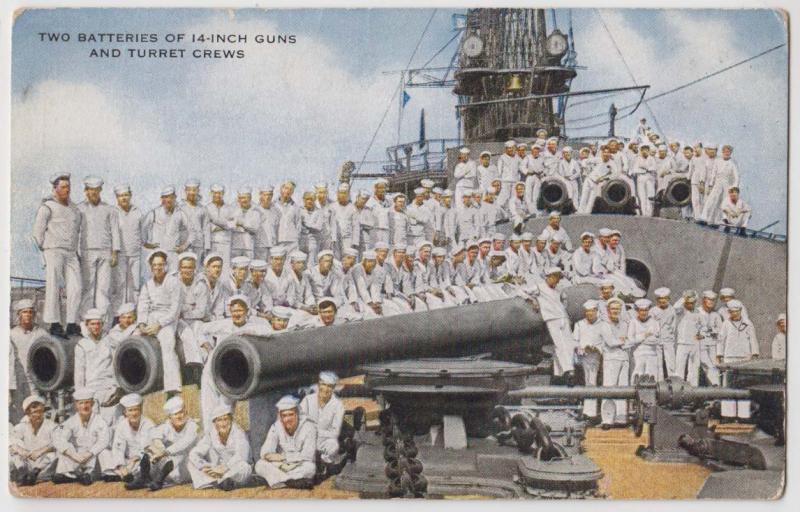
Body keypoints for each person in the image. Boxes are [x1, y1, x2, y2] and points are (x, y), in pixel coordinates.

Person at [195, 295, 273, 429]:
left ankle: (226, 435)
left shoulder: (255, 325)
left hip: (233, 372)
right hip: (213, 367)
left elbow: (269, 332)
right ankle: (210, 435)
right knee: (209, 406)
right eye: (234, 310)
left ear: (247, 311)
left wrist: (248, 332)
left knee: (225, 407)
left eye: (240, 310)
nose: (237, 314)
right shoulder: (223, 324)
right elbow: (199, 329)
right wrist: (208, 347)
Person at [32, 173, 84, 338]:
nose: (67, 190)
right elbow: (37, 233)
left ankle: (71, 323)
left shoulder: (74, 209)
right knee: (53, 286)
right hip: (53, 250)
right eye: (63, 187)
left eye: (68, 187)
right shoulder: (47, 207)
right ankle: (54, 323)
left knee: (76, 287)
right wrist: (45, 251)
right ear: (55, 188)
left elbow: (77, 232)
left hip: (71, 252)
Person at [137, 251, 185, 399]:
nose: (157, 268)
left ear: (165, 265)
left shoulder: (174, 282)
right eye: (155, 265)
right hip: (150, 318)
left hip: (167, 321)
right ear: (151, 267)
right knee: (132, 340)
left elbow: (174, 310)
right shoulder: (147, 284)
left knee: (167, 345)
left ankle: (173, 388)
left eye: (160, 265)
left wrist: (159, 325)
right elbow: (143, 305)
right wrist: (142, 324)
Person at [75, 176, 121, 321]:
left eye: (96, 189)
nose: (93, 192)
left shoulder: (109, 209)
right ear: (86, 191)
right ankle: (86, 321)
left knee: (104, 288)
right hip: (86, 252)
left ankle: (104, 322)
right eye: (90, 189)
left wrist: (115, 252)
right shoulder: (79, 209)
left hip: (105, 252)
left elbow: (115, 231)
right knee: (88, 288)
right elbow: (76, 232)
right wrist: (76, 253)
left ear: (100, 190)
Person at [134, 396, 200, 491]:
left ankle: (158, 480)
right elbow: (153, 435)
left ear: (185, 412)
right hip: (169, 467)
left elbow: (184, 443)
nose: (180, 416)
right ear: (170, 417)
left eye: (181, 412)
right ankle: (144, 478)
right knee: (151, 447)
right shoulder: (167, 426)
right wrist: (157, 447)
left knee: (179, 454)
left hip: (186, 468)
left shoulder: (192, 426)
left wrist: (163, 453)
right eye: (176, 414)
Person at [52, 387, 114, 485]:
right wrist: (73, 455)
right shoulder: (71, 422)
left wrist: (90, 453)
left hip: (92, 456)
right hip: (77, 457)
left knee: (104, 452)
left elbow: (104, 441)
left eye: (87, 403)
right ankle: (70, 476)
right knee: (65, 449)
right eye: (81, 403)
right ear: (76, 405)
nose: (84, 406)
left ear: (92, 403)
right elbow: (59, 438)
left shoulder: (100, 421)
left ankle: (89, 475)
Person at [255, 395, 318, 489]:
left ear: (297, 414)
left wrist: (284, 457)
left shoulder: (309, 427)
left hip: (299, 465)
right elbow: (264, 452)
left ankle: (279, 481)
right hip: (281, 465)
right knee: (260, 465)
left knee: (310, 468)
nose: (287, 419)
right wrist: (269, 456)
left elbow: (307, 456)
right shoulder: (276, 427)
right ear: (280, 416)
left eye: (290, 414)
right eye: (284, 415)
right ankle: (291, 482)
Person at [74, 308, 123, 424]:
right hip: (91, 391)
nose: (95, 327)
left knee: (112, 422)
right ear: (87, 325)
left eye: (98, 324)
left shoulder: (110, 341)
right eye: (92, 324)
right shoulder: (81, 345)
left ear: (102, 325)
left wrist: (118, 388)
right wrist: (81, 396)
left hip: (109, 389)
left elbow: (116, 366)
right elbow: (79, 373)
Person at [188, 405, 252, 491]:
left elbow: (242, 456)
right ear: (215, 423)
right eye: (219, 420)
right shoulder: (210, 434)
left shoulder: (239, 433)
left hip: (232, 468)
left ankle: (225, 480)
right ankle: (212, 482)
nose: (223, 423)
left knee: (244, 466)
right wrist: (204, 466)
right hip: (216, 469)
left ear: (231, 420)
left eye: (226, 419)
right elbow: (194, 453)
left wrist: (225, 467)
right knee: (191, 463)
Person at [717, 300, 759, 420]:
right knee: (728, 387)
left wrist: (755, 353)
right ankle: (728, 415)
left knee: (743, 386)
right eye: (731, 312)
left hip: (745, 358)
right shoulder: (726, 324)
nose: (734, 314)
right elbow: (721, 340)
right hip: (729, 358)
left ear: (740, 311)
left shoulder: (748, 324)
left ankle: (743, 415)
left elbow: (753, 339)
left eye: (736, 311)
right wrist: (719, 355)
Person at [534, 268, 576, 380]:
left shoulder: (559, 288)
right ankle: (568, 369)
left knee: (569, 343)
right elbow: (522, 292)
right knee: (559, 343)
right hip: (551, 318)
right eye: (555, 277)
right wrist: (533, 301)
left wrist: (564, 308)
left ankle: (559, 373)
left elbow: (564, 298)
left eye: (558, 278)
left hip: (563, 316)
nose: (557, 281)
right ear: (549, 277)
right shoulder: (539, 287)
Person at [573, 300, 613, 421]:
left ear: (596, 311)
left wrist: (597, 348)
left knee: (597, 381)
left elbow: (608, 342)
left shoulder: (603, 325)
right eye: (587, 312)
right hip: (584, 357)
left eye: (592, 311)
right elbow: (575, 341)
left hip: (599, 356)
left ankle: (598, 412)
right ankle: (588, 412)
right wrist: (581, 348)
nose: (589, 314)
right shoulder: (579, 324)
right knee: (588, 382)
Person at [299, 371, 346, 471]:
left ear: (334, 388)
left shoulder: (338, 405)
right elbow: (300, 421)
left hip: (323, 441)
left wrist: (316, 432)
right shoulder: (307, 400)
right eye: (323, 384)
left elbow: (335, 432)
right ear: (319, 385)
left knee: (333, 445)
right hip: (306, 439)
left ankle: (324, 464)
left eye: (329, 386)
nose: (325, 389)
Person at [142, 186, 191, 275]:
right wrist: (146, 243)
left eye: (171, 197)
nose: (169, 200)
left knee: (173, 278)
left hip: (174, 254)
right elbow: (143, 227)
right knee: (158, 277)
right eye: (166, 197)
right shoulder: (154, 213)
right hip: (158, 254)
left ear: (175, 198)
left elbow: (192, 231)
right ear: (162, 199)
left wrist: (184, 246)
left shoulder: (180, 213)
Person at [10, 395, 58, 486]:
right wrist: (24, 452)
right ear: (28, 413)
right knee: (12, 453)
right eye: (35, 412)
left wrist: (40, 451)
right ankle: (23, 474)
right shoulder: (21, 426)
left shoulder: (52, 426)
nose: (38, 415)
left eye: (40, 412)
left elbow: (58, 442)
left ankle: (36, 473)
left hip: (44, 463)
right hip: (27, 461)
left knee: (57, 454)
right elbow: (13, 443)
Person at [112, 184, 144, 316]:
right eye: (120, 196)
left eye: (126, 195)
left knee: (135, 285)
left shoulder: (138, 212)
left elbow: (142, 233)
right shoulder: (113, 212)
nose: (124, 198)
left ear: (130, 195)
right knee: (120, 286)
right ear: (117, 198)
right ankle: (117, 315)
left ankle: (134, 314)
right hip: (120, 255)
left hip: (135, 254)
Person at [110, 393, 155, 483]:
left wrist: (136, 458)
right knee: (105, 453)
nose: (134, 413)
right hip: (126, 460)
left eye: (136, 410)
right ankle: (124, 473)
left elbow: (146, 447)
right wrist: (122, 466)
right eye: (130, 410)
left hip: (141, 459)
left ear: (141, 410)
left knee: (147, 463)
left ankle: (123, 475)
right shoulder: (121, 426)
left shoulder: (149, 424)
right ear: (125, 412)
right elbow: (118, 448)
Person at [9, 299, 47, 401]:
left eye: (30, 312)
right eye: (24, 312)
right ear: (19, 314)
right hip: (17, 380)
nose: (28, 315)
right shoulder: (12, 334)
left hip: (35, 380)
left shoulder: (41, 333)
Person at [601, 299, 629, 429]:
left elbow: (630, 340)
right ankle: (607, 419)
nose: (615, 311)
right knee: (609, 388)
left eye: (618, 309)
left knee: (623, 388)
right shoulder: (604, 325)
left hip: (624, 358)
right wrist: (622, 341)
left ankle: (621, 417)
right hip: (611, 359)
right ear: (608, 311)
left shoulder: (625, 324)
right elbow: (610, 342)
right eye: (613, 309)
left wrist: (624, 341)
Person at [701, 144, 740, 224]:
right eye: (725, 151)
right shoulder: (717, 161)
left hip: (726, 184)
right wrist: (710, 185)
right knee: (711, 199)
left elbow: (736, 177)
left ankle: (716, 221)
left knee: (723, 202)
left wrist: (734, 188)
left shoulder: (732, 164)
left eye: (728, 152)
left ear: (730, 153)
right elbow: (713, 174)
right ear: (722, 152)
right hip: (717, 183)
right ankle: (704, 217)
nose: (726, 153)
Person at [675, 290, 703, 386]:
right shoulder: (681, 311)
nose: (690, 305)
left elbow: (701, 326)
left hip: (695, 343)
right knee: (679, 368)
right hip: (683, 343)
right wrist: (684, 298)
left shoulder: (698, 312)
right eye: (688, 303)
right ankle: (678, 388)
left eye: (692, 303)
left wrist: (701, 334)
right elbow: (676, 307)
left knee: (694, 368)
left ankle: (693, 388)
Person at [627, 299, 660, 380]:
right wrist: (645, 335)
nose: (643, 313)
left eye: (646, 310)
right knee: (637, 376)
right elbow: (631, 340)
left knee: (651, 377)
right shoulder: (633, 322)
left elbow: (657, 339)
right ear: (637, 311)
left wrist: (640, 339)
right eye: (641, 310)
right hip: (638, 354)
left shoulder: (654, 322)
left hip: (652, 354)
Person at [206, 184, 236, 273]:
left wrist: (215, 221)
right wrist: (224, 225)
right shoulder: (207, 208)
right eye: (215, 193)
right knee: (213, 267)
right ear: (211, 193)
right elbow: (207, 226)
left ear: (223, 193)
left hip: (226, 242)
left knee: (225, 267)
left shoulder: (230, 208)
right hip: (212, 242)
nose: (217, 195)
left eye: (219, 193)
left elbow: (232, 224)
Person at [650, 287, 677, 380]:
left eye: (665, 298)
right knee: (658, 362)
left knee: (671, 361)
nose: (663, 301)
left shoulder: (672, 310)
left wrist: (670, 335)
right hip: (657, 339)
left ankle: (673, 380)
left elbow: (673, 325)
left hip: (668, 339)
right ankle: (659, 381)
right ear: (657, 300)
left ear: (668, 299)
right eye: (660, 299)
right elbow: (651, 326)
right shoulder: (653, 311)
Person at [180, 180, 208, 262]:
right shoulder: (179, 208)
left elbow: (206, 228)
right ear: (185, 191)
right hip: (183, 244)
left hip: (198, 244)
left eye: (194, 190)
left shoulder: (203, 209)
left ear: (198, 191)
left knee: (197, 267)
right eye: (189, 190)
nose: (191, 192)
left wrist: (206, 247)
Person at [230, 188, 261, 259]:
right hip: (236, 246)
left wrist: (241, 224)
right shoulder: (233, 210)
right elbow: (230, 225)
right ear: (238, 199)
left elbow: (255, 229)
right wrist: (247, 226)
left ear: (250, 198)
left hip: (249, 246)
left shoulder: (256, 211)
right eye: (241, 198)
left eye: (246, 198)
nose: (243, 200)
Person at [254, 185, 280, 262]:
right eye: (265, 195)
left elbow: (277, 228)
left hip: (272, 244)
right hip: (259, 245)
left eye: (270, 195)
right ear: (260, 195)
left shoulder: (276, 211)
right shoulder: (255, 210)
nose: (268, 197)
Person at [275, 180, 301, 255]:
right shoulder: (273, 205)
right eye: (286, 188)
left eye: (291, 189)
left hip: (292, 241)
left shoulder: (296, 207)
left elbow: (298, 225)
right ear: (281, 189)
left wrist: (296, 238)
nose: (288, 191)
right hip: (278, 240)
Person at [331, 183, 356, 259]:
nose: (342, 195)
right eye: (341, 193)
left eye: (345, 193)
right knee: (336, 258)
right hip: (335, 238)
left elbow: (355, 226)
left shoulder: (352, 208)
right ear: (337, 194)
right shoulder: (332, 206)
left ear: (348, 194)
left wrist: (355, 242)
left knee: (347, 257)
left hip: (348, 238)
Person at [366, 178, 391, 245]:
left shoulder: (389, 202)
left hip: (386, 231)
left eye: (384, 188)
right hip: (375, 231)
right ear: (375, 189)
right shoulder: (370, 202)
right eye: (380, 188)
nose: (382, 190)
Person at [496, 140, 519, 206]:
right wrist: (499, 181)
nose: (511, 150)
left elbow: (520, 168)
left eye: (512, 148)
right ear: (506, 149)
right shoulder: (502, 158)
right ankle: (498, 209)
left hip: (515, 181)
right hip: (505, 181)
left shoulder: (517, 157)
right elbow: (499, 171)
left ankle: (511, 210)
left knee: (513, 198)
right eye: (509, 148)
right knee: (504, 197)